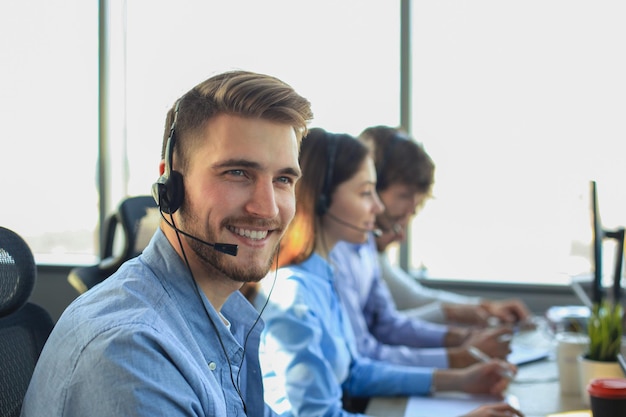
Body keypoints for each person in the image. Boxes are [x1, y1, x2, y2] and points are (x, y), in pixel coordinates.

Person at [21, 70, 313, 417]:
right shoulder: (132, 356)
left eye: (283, 179)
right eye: (238, 173)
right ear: (171, 183)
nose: (266, 208)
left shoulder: (223, 316)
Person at [255, 128, 522, 417]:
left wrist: (461, 379)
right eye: (365, 192)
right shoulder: (293, 294)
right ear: (321, 198)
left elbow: (355, 371)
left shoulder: (323, 276)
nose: (378, 206)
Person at [353, 125, 532, 327]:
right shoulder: (342, 246)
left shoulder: (365, 248)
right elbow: (378, 329)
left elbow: (408, 298)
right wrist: (457, 320)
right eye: (404, 195)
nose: (410, 210)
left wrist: (484, 308)